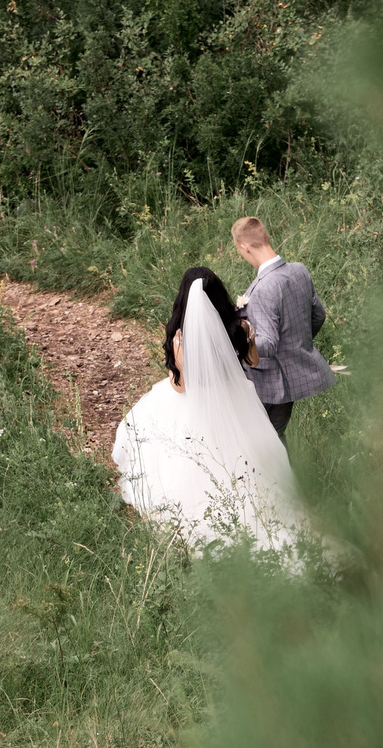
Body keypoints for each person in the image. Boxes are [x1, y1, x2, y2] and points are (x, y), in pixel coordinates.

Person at [111, 267, 317, 554]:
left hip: (198, 403)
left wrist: (180, 368)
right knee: (250, 459)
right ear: (219, 295)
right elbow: (254, 362)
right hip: (237, 401)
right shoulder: (240, 327)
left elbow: (180, 387)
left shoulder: (181, 339)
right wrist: (251, 338)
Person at [231, 216, 335, 442]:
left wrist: (234, 339)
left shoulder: (264, 288)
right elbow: (319, 315)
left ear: (244, 247)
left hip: (268, 383)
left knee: (263, 442)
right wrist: (296, 346)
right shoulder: (299, 271)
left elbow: (268, 343)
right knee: (276, 437)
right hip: (291, 378)